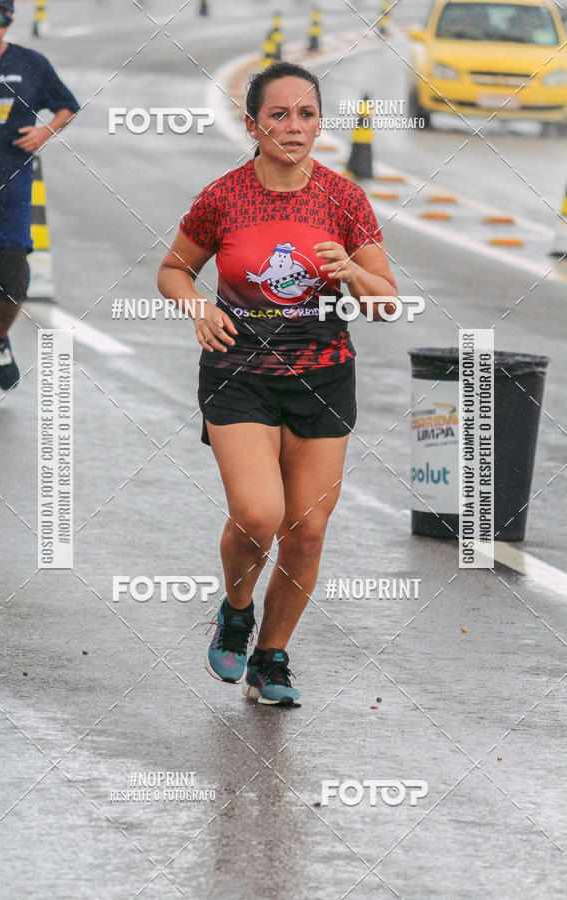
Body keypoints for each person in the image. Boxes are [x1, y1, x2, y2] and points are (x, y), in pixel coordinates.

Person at [157, 62, 397, 707]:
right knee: (261, 514)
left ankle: (272, 656)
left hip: (322, 379)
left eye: (307, 114)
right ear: (253, 124)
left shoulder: (344, 199)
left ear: (321, 123)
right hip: (240, 374)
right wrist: (198, 308)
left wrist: (350, 270)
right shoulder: (223, 197)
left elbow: (386, 302)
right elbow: (174, 270)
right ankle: (237, 609)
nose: (294, 127)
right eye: (279, 114)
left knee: (309, 529)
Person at [0, 0, 79, 403]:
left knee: (13, 285)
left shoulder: (31, 63)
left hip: (9, 196)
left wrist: (44, 133)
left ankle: (0, 338)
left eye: (0, 19)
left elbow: (68, 104)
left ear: (10, 22)